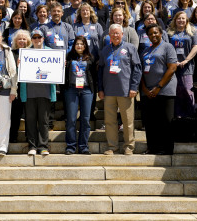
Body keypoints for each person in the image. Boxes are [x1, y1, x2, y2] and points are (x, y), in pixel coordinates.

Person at [98, 24, 142, 155]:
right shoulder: (105, 50)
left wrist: (134, 87)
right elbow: (100, 70)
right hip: (109, 91)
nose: (115, 35)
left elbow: (137, 69)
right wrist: (100, 89)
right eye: (113, 33)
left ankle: (129, 146)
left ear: (122, 34)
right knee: (110, 121)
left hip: (126, 90)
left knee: (127, 120)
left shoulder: (130, 48)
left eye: (117, 33)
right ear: (109, 35)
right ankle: (112, 147)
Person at [139, 24, 178, 155]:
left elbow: (172, 68)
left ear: (161, 33)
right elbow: (140, 72)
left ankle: (166, 149)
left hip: (164, 90)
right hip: (148, 93)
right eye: (150, 34)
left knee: (165, 121)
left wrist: (158, 87)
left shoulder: (168, 47)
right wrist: (144, 89)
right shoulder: (145, 51)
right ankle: (152, 148)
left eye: (155, 33)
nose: (153, 35)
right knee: (150, 122)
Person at [19, 29, 56, 155]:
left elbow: (56, 69)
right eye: (34, 37)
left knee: (44, 121)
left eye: (39, 37)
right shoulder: (26, 53)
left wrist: (61, 65)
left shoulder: (51, 53)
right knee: (30, 120)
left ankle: (43, 146)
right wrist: (20, 65)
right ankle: (32, 146)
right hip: (29, 92)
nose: (36, 39)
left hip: (45, 92)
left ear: (43, 38)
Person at [64, 36, 97, 155]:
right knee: (71, 119)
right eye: (77, 44)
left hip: (86, 90)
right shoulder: (69, 57)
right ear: (74, 46)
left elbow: (94, 75)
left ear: (85, 46)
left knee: (85, 119)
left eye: (81, 44)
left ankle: (83, 146)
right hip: (72, 89)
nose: (79, 46)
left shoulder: (91, 58)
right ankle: (71, 146)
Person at [167, 12, 197, 119]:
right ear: (175, 20)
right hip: (173, 67)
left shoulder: (192, 32)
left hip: (187, 67)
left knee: (187, 90)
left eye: (183, 19)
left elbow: (196, 47)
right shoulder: (170, 33)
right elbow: (167, 48)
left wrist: (186, 60)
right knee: (176, 91)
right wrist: (174, 61)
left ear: (187, 21)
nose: (181, 20)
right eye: (179, 18)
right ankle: (178, 117)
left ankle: (190, 116)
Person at [10, 29, 31, 143]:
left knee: (30, 115)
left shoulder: (33, 53)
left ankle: (30, 137)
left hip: (29, 88)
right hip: (16, 88)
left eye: (24, 38)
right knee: (15, 114)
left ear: (28, 40)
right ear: (15, 41)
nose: (22, 41)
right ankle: (12, 137)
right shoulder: (11, 53)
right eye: (19, 39)